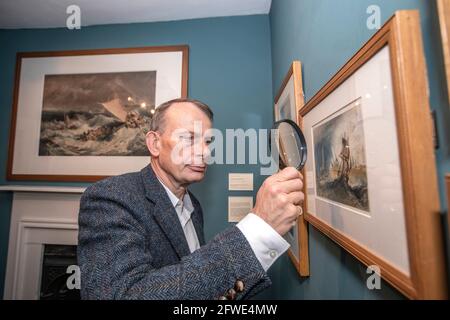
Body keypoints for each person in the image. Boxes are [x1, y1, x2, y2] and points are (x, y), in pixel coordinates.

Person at [77, 98, 304, 300]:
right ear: (154, 144)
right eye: (189, 138)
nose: (204, 152)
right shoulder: (111, 198)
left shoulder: (193, 205)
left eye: (208, 142)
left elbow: (198, 283)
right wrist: (255, 230)